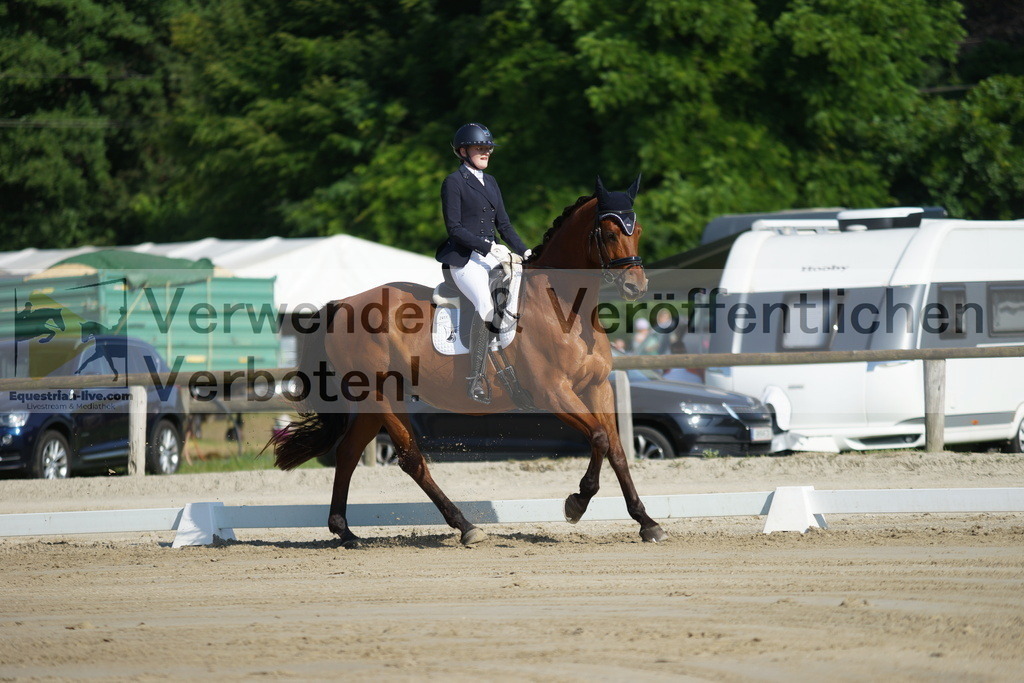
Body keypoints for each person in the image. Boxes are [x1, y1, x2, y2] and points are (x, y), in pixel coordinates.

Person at [435, 123, 531, 404]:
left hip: (491, 257)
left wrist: (525, 251)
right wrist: (488, 246)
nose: (486, 152)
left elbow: (504, 224)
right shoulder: (453, 182)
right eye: (480, 148)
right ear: (463, 151)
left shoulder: (491, 182)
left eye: (488, 148)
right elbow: (454, 228)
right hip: (465, 259)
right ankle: (474, 379)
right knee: (487, 308)